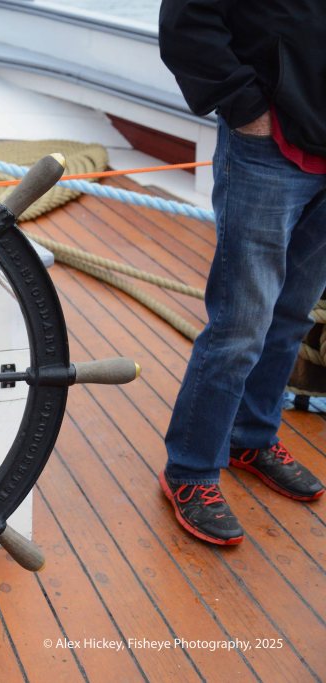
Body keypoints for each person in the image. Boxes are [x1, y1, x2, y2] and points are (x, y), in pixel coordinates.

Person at [157, 0, 325, 545]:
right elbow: (187, 23)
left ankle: (251, 436)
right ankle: (191, 469)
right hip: (268, 148)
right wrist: (245, 109)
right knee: (240, 325)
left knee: (292, 315)